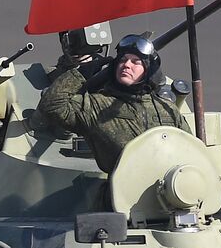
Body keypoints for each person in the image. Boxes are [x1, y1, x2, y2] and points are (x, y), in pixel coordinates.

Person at [37, 32, 190, 173]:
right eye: (123, 60)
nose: (127, 64)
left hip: (168, 194)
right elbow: (52, 105)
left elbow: (192, 152)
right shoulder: (97, 105)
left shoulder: (167, 109)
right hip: (119, 196)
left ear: (149, 71)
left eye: (136, 62)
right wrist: (81, 73)